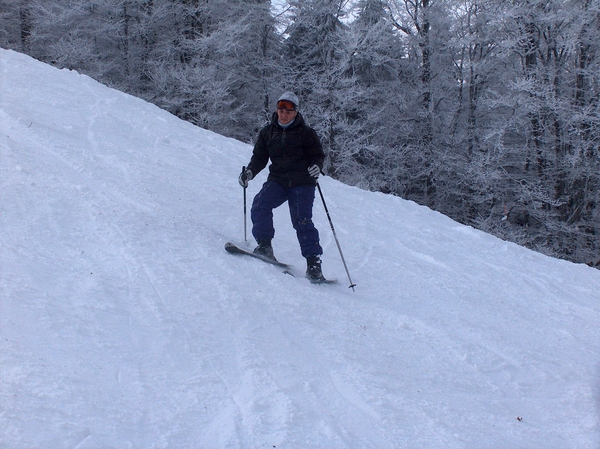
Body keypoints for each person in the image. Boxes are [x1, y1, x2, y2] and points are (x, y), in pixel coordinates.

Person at [238, 91, 327, 282]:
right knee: (260, 204)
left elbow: (317, 155)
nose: (284, 114)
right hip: (278, 180)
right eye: (280, 110)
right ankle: (264, 245)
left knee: (302, 220)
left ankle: (313, 264)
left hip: (302, 182)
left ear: (295, 112)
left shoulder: (306, 133)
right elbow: (260, 158)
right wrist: (250, 173)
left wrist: (316, 167)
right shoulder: (268, 132)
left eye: (288, 110)